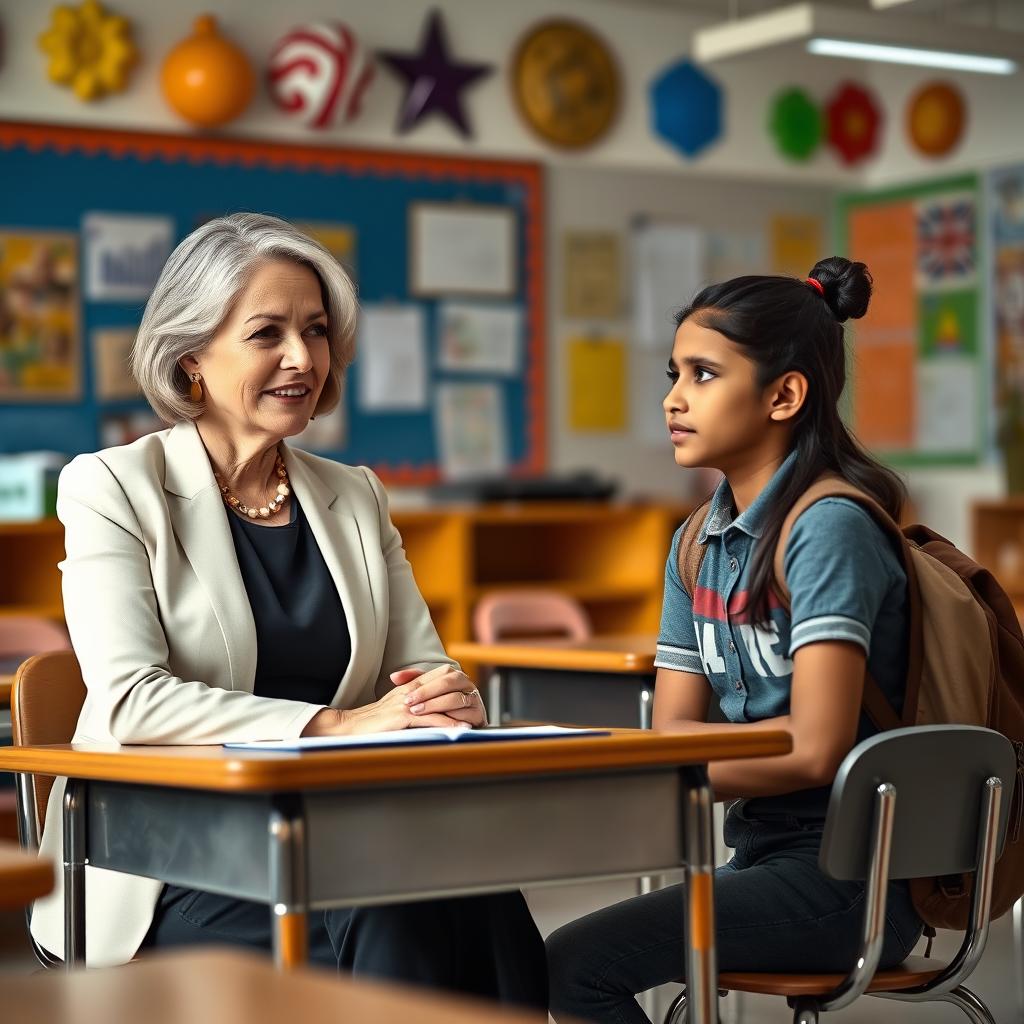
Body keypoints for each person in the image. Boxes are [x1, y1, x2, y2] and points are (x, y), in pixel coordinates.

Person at [30, 213, 547, 1010]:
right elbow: (131, 701)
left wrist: (445, 700)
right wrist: (338, 725)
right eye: (267, 333)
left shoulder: (356, 494)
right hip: (170, 860)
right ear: (191, 354)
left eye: (316, 331)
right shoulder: (111, 487)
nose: (303, 358)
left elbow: (420, 669)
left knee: (479, 899)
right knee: (387, 913)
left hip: (336, 833)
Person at [546, 257, 924, 1023]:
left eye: (704, 374)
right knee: (527, 948)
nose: (673, 399)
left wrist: (671, 765)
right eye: (673, 373)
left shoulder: (829, 529)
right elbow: (671, 736)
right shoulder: (697, 542)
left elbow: (816, 749)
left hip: (852, 880)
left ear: (784, 395)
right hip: (759, 858)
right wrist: (672, 759)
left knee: (571, 967)